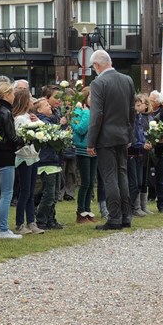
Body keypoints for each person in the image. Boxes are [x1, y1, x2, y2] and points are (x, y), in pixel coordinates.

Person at [86, 49, 136, 231]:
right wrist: (129, 134)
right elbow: (132, 110)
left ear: (97, 65)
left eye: (94, 66)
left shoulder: (99, 83)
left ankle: (114, 218)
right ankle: (126, 216)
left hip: (105, 137)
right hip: (123, 135)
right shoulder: (127, 80)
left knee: (109, 177)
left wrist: (91, 142)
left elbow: (97, 114)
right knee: (122, 175)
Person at [0, 82, 24, 239]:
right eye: (12, 93)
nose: (14, 96)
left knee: (5, 192)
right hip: (5, 154)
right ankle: (3, 228)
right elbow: (12, 137)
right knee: (7, 193)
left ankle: (4, 227)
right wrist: (26, 139)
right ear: (7, 95)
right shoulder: (5, 112)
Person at [12, 88, 43, 235]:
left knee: (31, 190)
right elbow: (20, 136)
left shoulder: (30, 116)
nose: (32, 101)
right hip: (24, 157)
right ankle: (19, 223)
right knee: (24, 191)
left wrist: (37, 122)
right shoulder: (19, 118)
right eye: (30, 98)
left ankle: (31, 221)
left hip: (33, 156)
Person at [34, 97, 63, 230]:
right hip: (46, 161)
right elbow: (51, 133)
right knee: (48, 193)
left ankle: (51, 219)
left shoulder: (53, 118)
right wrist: (60, 125)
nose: (49, 107)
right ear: (39, 110)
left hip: (55, 160)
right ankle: (41, 219)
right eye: (46, 105)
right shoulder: (41, 121)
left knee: (55, 193)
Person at [72, 87, 98, 223]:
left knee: (91, 182)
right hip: (83, 149)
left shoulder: (95, 111)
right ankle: (80, 211)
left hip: (94, 149)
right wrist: (86, 114)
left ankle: (87, 209)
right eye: (90, 97)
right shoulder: (79, 112)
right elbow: (80, 129)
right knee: (85, 182)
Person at [128, 93, 153, 217]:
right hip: (131, 153)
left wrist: (145, 142)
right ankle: (133, 207)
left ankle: (138, 206)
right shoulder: (131, 118)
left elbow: (140, 133)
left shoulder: (139, 118)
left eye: (139, 105)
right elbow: (131, 136)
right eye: (136, 105)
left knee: (140, 181)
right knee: (133, 181)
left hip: (139, 153)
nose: (138, 108)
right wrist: (140, 144)